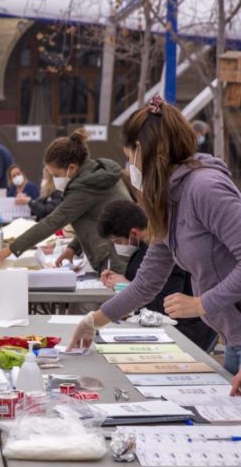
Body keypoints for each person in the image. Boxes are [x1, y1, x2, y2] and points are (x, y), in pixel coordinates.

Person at [68, 95, 241, 396]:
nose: (129, 167)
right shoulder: (168, 200)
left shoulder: (205, 188)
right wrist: (94, 321)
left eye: (128, 157)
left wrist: (202, 303)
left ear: (141, 150)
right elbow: (146, 283)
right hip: (232, 337)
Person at [0, 129, 131, 273]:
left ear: (72, 168)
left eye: (56, 174)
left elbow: (52, 222)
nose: (54, 179)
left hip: (116, 260)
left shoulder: (85, 187)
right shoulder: (98, 175)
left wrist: (11, 249)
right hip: (122, 254)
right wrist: (73, 248)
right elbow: (92, 218)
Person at [97, 200, 217, 350]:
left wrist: (127, 287)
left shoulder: (162, 252)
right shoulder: (142, 250)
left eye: (118, 241)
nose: (117, 246)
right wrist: (122, 281)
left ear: (133, 233)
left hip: (183, 331)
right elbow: (140, 281)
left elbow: (166, 302)